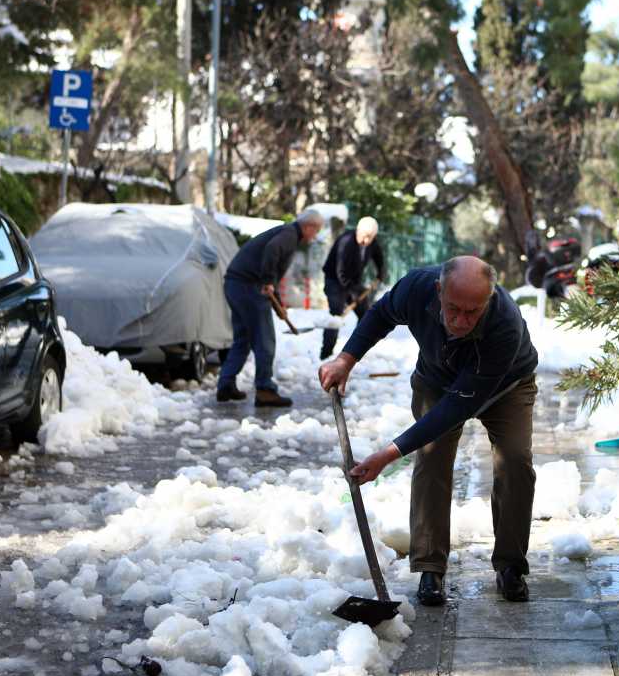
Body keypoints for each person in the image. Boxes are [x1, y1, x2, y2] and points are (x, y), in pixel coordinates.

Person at [318, 256, 539, 606]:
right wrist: (346, 358)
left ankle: (511, 565)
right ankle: (430, 567)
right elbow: (380, 314)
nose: (462, 321)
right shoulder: (416, 288)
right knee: (432, 458)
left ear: (489, 299)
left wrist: (389, 454)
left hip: (507, 386)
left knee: (515, 461)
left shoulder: (504, 324)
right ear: (439, 291)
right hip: (436, 377)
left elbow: (458, 407)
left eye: (473, 311)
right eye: (453, 309)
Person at [218, 208, 324, 407]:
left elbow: (271, 278)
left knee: (243, 339)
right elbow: (272, 252)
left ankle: (225, 384)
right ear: (308, 226)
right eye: (316, 231)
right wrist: (267, 281)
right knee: (265, 340)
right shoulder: (289, 234)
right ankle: (265, 389)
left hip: (235, 284)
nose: (315, 236)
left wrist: (279, 306)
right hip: (249, 287)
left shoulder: (286, 233)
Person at [320, 216, 386, 360]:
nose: (366, 241)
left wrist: (381, 272)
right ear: (358, 231)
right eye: (364, 236)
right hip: (335, 280)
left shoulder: (371, 242)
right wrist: (353, 292)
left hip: (353, 282)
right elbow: (340, 272)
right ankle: (326, 352)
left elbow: (379, 258)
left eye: (370, 237)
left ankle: (354, 350)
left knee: (366, 313)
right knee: (336, 313)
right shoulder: (346, 242)